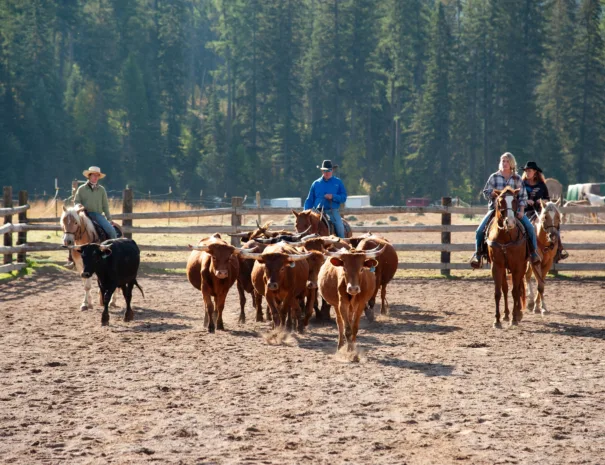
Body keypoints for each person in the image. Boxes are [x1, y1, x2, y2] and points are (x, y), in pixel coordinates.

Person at [470, 152, 541, 269]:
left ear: (512, 163)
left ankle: (533, 254)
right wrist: (491, 193)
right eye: (503, 161)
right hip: (495, 210)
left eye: (507, 161)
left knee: (530, 228)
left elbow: (523, 196)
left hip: (514, 210)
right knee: (479, 231)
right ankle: (478, 255)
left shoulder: (517, 178)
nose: (505, 163)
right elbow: (485, 192)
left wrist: (522, 211)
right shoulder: (494, 177)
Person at [522, 161, 568, 261]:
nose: (527, 173)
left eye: (529, 171)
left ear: (535, 172)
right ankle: (526, 250)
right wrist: (526, 201)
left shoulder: (542, 185)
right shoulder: (522, 184)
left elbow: (547, 198)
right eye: (526, 171)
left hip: (541, 211)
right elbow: (517, 197)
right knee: (525, 228)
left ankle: (559, 249)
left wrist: (542, 201)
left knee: (554, 225)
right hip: (526, 211)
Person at [303, 160, 347, 238]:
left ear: (332, 170)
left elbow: (343, 197)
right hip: (317, 212)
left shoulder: (338, 182)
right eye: (324, 170)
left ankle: (342, 242)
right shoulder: (316, 183)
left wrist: (333, 196)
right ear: (322, 171)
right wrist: (305, 213)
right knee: (305, 228)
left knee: (340, 227)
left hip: (332, 211)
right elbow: (309, 200)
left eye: (328, 170)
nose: (326, 172)